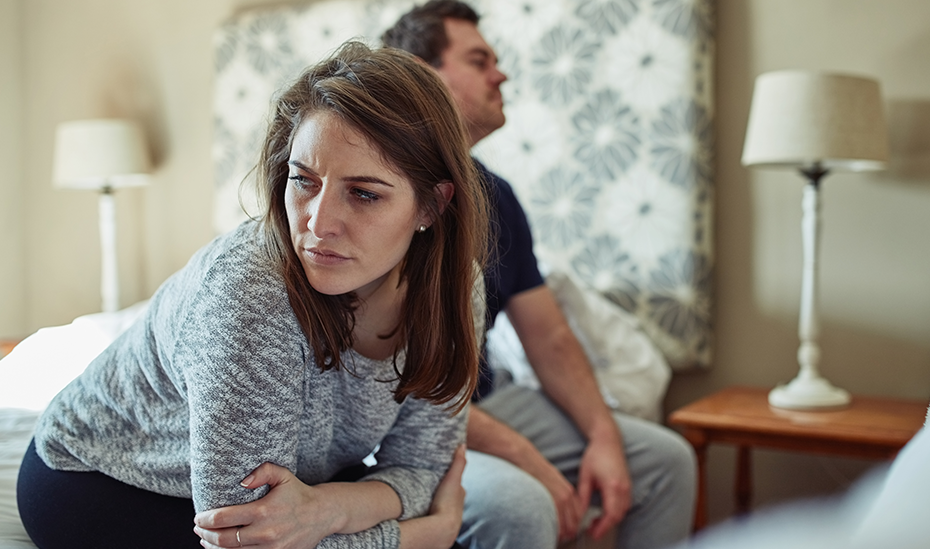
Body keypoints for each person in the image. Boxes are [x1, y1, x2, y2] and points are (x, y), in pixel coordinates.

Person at [18, 41, 488, 549]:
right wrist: (421, 536)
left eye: (364, 193)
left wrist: (328, 508)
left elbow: (421, 467)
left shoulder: (456, 288)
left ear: (432, 206)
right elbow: (244, 536)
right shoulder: (249, 293)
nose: (318, 223)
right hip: (106, 481)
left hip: (291, 490)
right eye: (303, 181)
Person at [383, 3, 697, 548]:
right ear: (424, 73)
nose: (500, 74)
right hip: (401, 428)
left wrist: (603, 439)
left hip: (483, 404)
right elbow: (395, 390)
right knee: (522, 506)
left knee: (667, 461)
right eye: (480, 60)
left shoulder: (496, 197)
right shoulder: (383, 194)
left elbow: (549, 337)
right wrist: (530, 461)